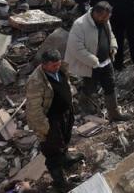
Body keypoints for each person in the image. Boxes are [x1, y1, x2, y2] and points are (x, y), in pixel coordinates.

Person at [26, 49, 82, 191]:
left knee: (65, 139)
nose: (57, 67)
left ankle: (66, 159)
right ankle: (60, 182)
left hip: (65, 113)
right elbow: (34, 110)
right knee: (52, 149)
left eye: (58, 64)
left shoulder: (61, 68)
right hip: (51, 119)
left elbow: (66, 84)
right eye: (53, 66)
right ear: (44, 65)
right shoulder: (35, 81)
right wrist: (45, 129)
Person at [64, 2, 130, 122]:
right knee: (90, 87)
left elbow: (111, 36)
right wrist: (93, 61)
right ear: (96, 13)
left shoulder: (105, 20)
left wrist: (113, 47)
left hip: (106, 61)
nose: (106, 20)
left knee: (110, 86)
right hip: (90, 64)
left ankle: (114, 114)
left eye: (107, 18)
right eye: (104, 17)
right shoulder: (80, 24)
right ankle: (84, 104)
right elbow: (76, 48)